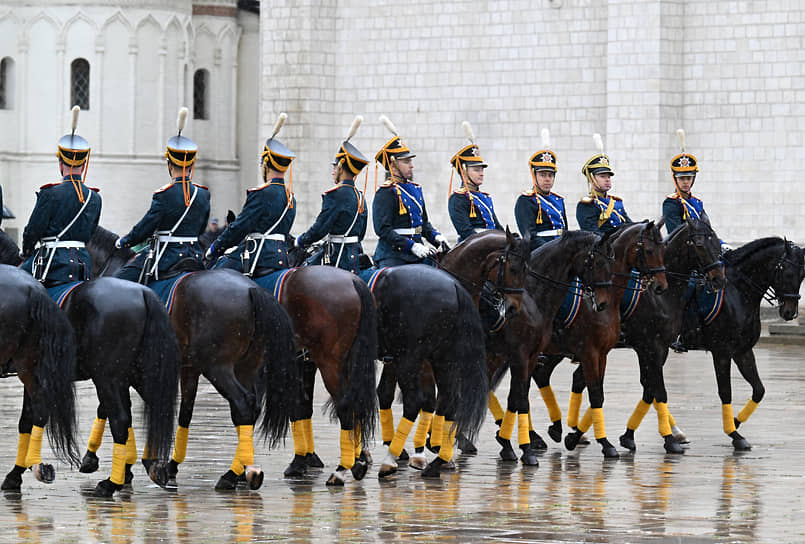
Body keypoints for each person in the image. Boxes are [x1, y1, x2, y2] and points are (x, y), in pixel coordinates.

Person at [115, 107, 210, 283]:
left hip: (166, 257)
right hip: (195, 258)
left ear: (169, 163)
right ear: (191, 165)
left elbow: (146, 227)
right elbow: (201, 228)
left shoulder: (164, 195)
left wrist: (125, 241)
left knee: (117, 283)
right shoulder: (203, 194)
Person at [21, 106, 102, 288]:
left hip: (53, 264)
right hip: (84, 264)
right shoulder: (95, 198)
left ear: (60, 163)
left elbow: (34, 230)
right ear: (83, 165)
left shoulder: (50, 193)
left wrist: (26, 251)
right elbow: (89, 234)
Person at [206, 112, 296, 276]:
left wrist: (216, 247)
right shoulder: (291, 198)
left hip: (257, 257)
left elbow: (240, 227)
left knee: (213, 276)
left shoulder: (260, 194)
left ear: (265, 165)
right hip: (282, 257)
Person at [372, 115, 448, 268]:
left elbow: (424, 223)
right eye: (406, 162)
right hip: (394, 255)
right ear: (393, 165)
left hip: (419, 253)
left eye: (411, 161)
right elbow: (383, 230)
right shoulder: (386, 192)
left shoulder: (416, 189)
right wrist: (411, 246)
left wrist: (436, 236)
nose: (411, 165)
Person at [295, 116, 369, 273]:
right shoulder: (360, 195)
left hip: (338, 257)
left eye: (335, 167)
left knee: (301, 273)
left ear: (341, 168)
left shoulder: (335, 195)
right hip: (356, 255)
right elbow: (361, 232)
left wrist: (301, 240)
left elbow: (320, 228)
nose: (333, 171)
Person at [447, 121, 502, 243]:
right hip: (472, 249)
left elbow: (497, 227)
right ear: (464, 171)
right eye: (476, 170)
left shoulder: (485, 197)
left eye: (482, 169)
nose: (481, 173)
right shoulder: (457, 198)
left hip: (492, 245)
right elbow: (466, 232)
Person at [515, 129, 567, 251]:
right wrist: (551, 250)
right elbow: (530, 236)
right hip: (540, 253)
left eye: (550, 175)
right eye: (543, 175)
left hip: (561, 250)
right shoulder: (526, 200)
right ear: (534, 176)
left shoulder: (558, 200)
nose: (547, 179)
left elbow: (565, 231)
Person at [576, 134, 632, 235]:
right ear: (592, 179)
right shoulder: (587, 205)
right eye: (602, 176)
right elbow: (593, 235)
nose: (607, 179)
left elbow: (629, 226)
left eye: (608, 177)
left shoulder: (616, 202)